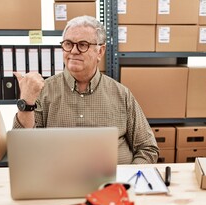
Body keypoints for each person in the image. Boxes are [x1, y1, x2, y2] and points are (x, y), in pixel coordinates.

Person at [13, 15, 159, 164]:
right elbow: (22, 152)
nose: (74, 51)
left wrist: (129, 179)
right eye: (68, 44)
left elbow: (147, 148)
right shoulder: (42, 91)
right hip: (59, 182)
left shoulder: (122, 94)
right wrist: (26, 101)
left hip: (113, 184)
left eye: (83, 45)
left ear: (100, 52)